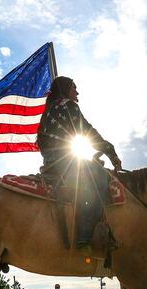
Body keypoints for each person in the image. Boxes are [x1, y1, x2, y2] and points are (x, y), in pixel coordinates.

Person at [36, 76, 122, 255]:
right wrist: (110, 152)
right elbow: (87, 131)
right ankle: (85, 234)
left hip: (52, 164)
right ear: (66, 89)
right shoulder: (68, 106)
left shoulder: (49, 111)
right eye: (74, 88)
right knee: (99, 176)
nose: (77, 92)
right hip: (66, 162)